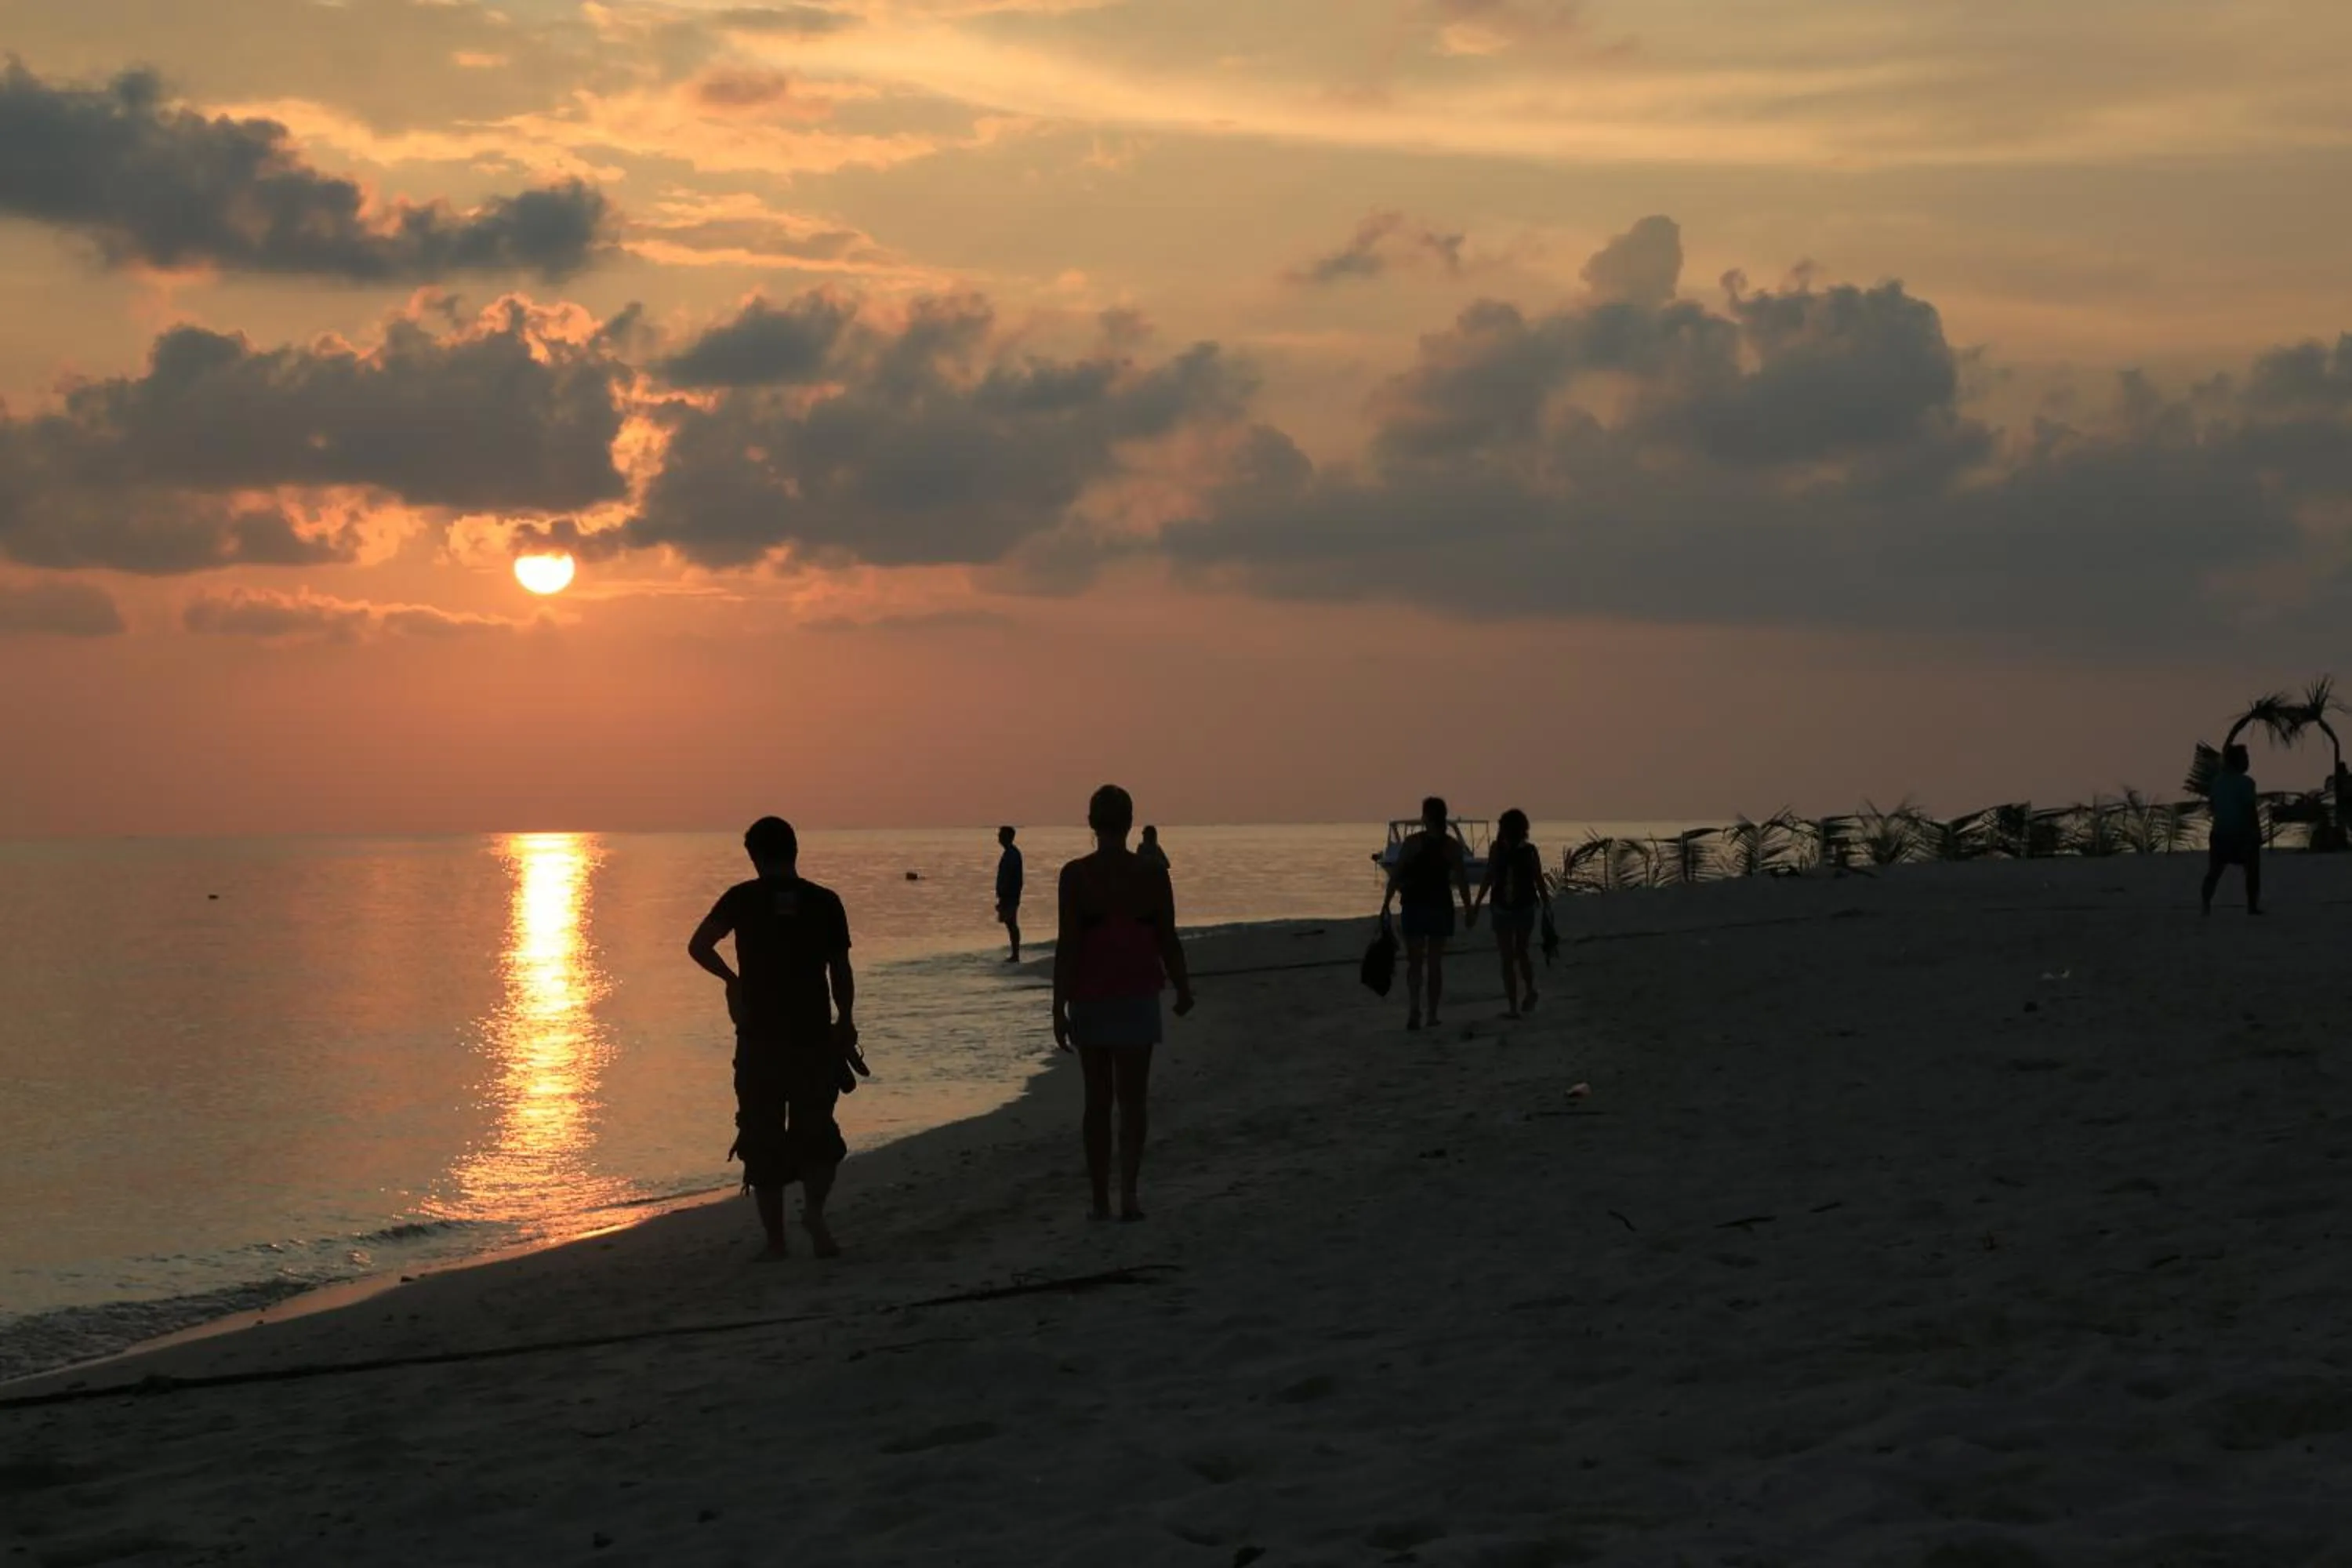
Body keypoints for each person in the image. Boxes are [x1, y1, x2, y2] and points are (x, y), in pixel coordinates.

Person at [688, 816, 858, 1260]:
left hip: (760, 1039)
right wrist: (847, 1020)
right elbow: (840, 970)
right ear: (795, 850)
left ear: (754, 856)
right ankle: (815, 1215)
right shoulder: (825, 902)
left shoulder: (741, 899)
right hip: (814, 1035)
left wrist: (732, 979)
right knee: (818, 1132)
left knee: (761, 1138)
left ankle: (776, 1241)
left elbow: (699, 945)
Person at [1053, 785, 1194, 1221]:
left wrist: (1058, 1004)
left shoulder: (1075, 876)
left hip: (1092, 997)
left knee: (1097, 1101)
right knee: (1133, 1101)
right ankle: (1128, 1194)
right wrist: (1183, 987)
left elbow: (1069, 943)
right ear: (1130, 822)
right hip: (1136, 994)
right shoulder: (1152, 874)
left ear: (1092, 823)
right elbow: (1167, 938)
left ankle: (1100, 1198)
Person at [1380, 795, 1476, 1030]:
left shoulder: (1413, 843)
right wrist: (1469, 908)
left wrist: (1385, 904)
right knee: (1434, 963)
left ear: (1426, 817)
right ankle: (1431, 1014)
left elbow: (1396, 875)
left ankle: (1415, 1009)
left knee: (1415, 962)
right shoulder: (1452, 846)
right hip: (1440, 907)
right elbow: (1462, 881)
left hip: (1415, 906)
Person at [1474, 808, 1550, 1018]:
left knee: (1511, 955)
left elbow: (1490, 877)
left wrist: (1478, 902)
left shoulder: (1505, 850)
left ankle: (1517, 1004)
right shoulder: (1520, 850)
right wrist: (1547, 905)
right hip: (1516, 907)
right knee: (1517, 953)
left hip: (1510, 907)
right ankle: (1524, 996)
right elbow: (1537, 879)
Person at [2202, 743, 2263, 916]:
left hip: (2219, 833)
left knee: (2214, 872)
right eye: (2245, 759)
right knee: (2252, 870)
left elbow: (2213, 806)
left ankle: (2205, 905)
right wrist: (2256, 832)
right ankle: (2252, 906)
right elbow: (2250, 809)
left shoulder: (2217, 782)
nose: (2248, 762)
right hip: (2240, 834)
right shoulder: (2246, 783)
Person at [996, 826, 1025, 962]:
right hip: (1008, 895)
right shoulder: (1009, 853)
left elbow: (1013, 878)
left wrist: (1006, 895)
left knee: (1012, 924)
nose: (999, 838)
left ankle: (1015, 954)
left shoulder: (1012, 854)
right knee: (1010, 923)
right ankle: (1015, 953)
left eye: (1001, 835)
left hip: (1010, 895)